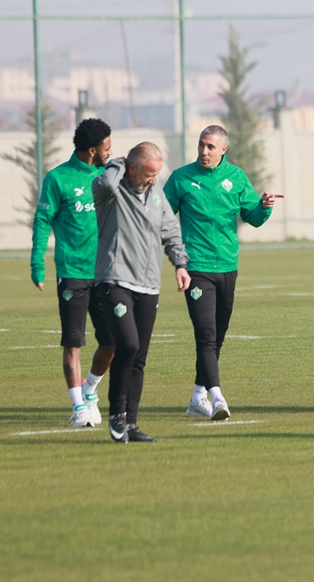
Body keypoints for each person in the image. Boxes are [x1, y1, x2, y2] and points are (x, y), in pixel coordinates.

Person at [165, 125, 283, 421]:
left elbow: (253, 217)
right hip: (196, 268)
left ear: (223, 150)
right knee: (205, 335)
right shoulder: (181, 178)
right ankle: (217, 398)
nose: (204, 151)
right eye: (201, 145)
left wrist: (264, 206)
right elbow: (162, 217)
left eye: (210, 147)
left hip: (228, 267)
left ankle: (196, 397)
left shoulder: (236, 178)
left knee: (216, 336)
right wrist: (178, 259)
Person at [93, 142, 190, 443]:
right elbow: (103, 181)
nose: (152, 179)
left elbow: (171, 232)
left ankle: (131, 423)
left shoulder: (157, 194)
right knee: (128, 345)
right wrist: (119, 163)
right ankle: (116, 415)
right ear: (131, 168)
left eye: (156, 174)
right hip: (115, 281)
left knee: (139, 358)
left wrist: (180, 264)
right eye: (148, 173)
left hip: (148, 285)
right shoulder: (111, 192)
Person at [30, 117, 116, 428]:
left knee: (112, 341)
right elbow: (42, 222)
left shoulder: (109, 176)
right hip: (73, 272)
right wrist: (37, 264)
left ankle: (89, 390)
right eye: (107, 147)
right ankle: (78, 407)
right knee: (73, 342)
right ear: (92, 150)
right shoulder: (58, 179)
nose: (111, 151)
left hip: (106, 272)